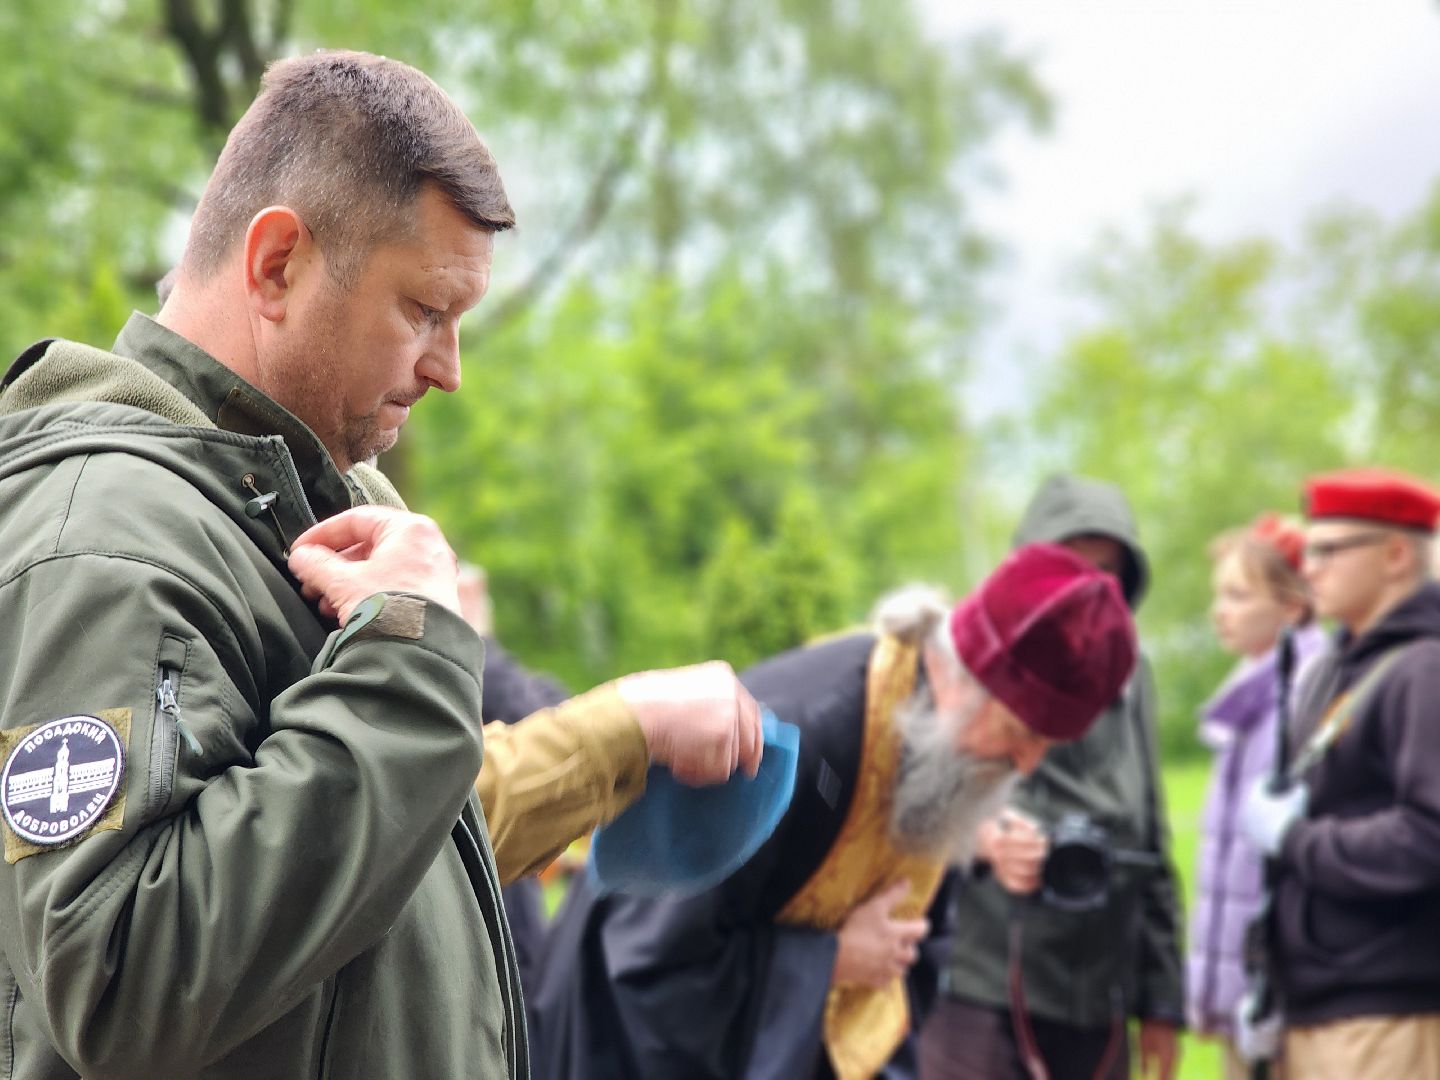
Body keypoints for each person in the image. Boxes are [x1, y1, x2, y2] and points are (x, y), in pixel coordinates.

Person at [0, 50, 763, 1079]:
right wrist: (410, 655)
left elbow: (376, 862)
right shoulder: (108, 540)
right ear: (277, 265)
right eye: (426, 312)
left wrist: (616, 737)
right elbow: (122, 979)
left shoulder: (290, 509)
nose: (448, 370)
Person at [527, 542, 1139, 1080]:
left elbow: (909, 957)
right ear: (960, 681)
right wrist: (828, 961)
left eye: (1046, 748)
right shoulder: (783, 740)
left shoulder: (941, 754)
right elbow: (643, 966)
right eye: (1019, 732)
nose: (1027, 764)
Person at [919, 473, 1185, 1080]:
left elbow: (1152, 835)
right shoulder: (969, 655)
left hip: (1102, 989)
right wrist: (988, 841)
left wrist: (1162, 999)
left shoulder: (1133, 674)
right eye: (1072, 564)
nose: (1088, 587)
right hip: (983, 980)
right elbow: (909, 802)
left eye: (1107, 573)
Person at [1239, 468, 1440, 1078]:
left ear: (1396, 555)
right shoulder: (1335, 667)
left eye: (1328, 550)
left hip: (1385, 1008)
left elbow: (1428, 835)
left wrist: (1296, 840)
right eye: (1308, 551)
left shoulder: (1424, 671)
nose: (1310, 569)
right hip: (1315, 1003)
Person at [1187, 513, 1325, 1079]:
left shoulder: (1306, 696)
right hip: (1251, 994)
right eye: (1219, 595)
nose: (1221, 610)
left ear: (1293, 607)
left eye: (1239, 596)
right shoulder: (1248, 695)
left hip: (1286, 996)